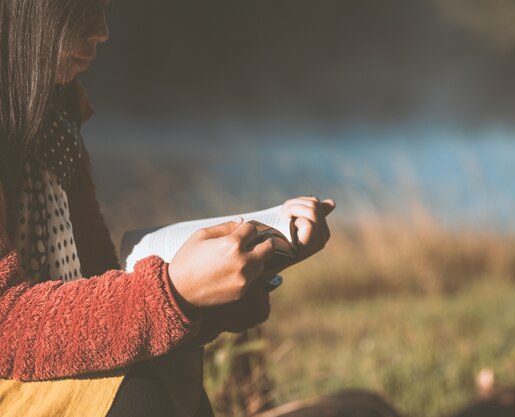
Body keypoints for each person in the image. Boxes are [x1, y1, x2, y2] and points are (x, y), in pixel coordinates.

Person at [0, 0, 335, 416]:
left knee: (164, 369)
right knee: (142, 392)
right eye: (83, 9)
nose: (102, 31)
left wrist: (236, 274)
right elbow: (6, 325)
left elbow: (96, 282)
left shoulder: (55, 117)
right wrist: (173, 289)